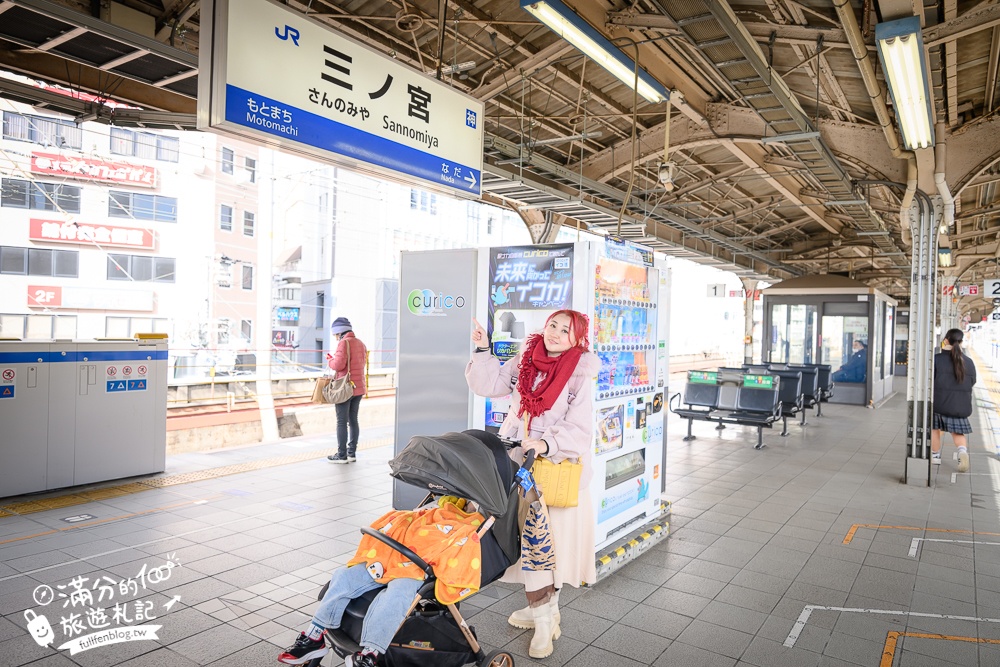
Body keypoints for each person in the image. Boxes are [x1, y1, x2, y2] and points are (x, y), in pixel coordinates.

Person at [465, 310, 599, 659]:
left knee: (546, 546)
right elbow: (490, 385)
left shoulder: (579, 372)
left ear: (577, 338)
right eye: (553, 325)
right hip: (519, 464)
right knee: (530, 543)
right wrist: (483, 350)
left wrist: (546, 443)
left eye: (565, 330)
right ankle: (544, 611)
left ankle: (544, 622)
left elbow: (580, 428)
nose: (555, 333)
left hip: (555, 469)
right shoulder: (527, 357)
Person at [278, 498, 485, 667]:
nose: (469, 505)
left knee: (396, 596)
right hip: (391, 556)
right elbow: (411, 520)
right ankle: (314, 636)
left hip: (418, 568)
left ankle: (370, 653)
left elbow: (460, 548)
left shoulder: (472, 524)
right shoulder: (442, 505)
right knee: (344, 576)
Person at [932, 328, 976, 472]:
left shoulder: (937, 359)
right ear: (961, 342)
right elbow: (972, 381)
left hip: (939, 404)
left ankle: (935, 456)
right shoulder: (969, 362)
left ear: (946, 341)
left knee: (934, 429)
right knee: (957, 433)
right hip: (960, 406)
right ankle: (962, 452)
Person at [326, 317, 367, 463]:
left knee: (341, 422)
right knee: (353, 420)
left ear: (339, 332)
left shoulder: (344, 343)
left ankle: (342, 455)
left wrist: (330, 360)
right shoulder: (361, 343)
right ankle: (351, 453)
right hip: (358, 387)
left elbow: (338, 365)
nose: (335, 337)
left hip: (345, 389)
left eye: (335, 334)